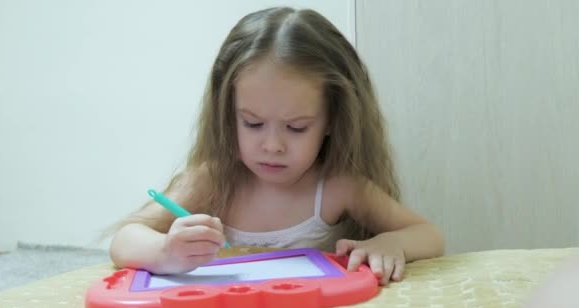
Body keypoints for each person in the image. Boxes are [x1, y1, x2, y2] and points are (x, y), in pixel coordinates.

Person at [109, 7, 445, 285]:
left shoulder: (339, 188)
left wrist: (391, 242)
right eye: (252, 123)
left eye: (296, 127)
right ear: (229, 115)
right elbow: (125, 238)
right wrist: (166, 251)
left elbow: (428, 235)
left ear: (332, 120)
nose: (272, 145)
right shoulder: (212, 181)